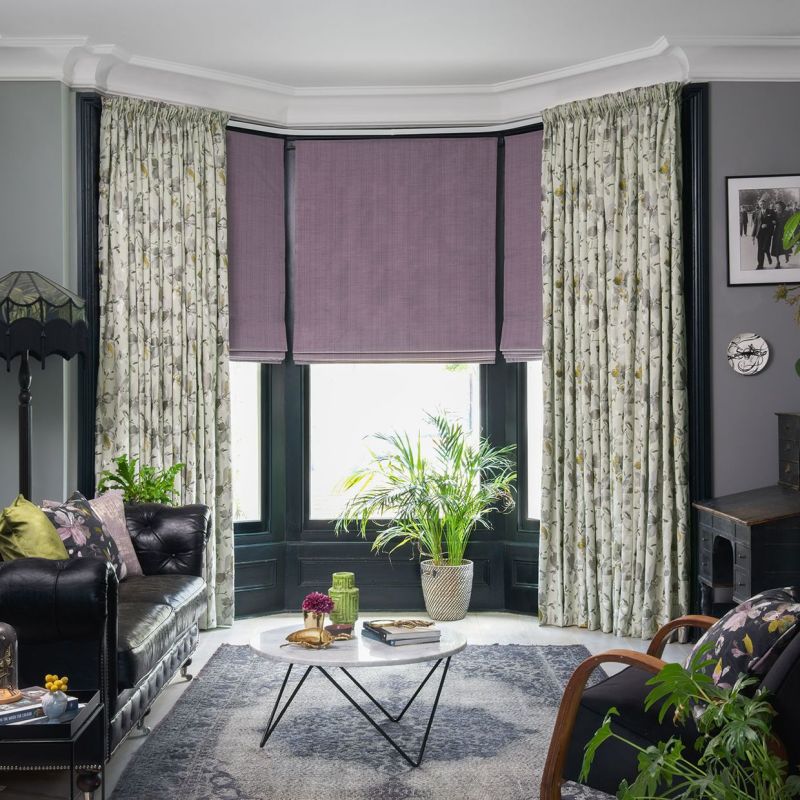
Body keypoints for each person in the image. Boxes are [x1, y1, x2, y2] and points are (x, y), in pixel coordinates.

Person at [752, 195, 776, 269]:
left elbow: (774, 222)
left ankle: (768, 254)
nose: (762, 206)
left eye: (764, 204)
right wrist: (753, 235)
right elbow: (755, 224)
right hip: (759, 234)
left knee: (765, 248)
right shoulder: (756, 213)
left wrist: (767, 225)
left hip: (768, 233)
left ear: (766, 204)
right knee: (760, 250)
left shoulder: (771, 212)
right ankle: (760, 265)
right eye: (761, 204)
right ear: (759, 205)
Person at [772, 199, 792, 268]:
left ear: (781, 206)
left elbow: (790, 222)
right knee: (776, 248)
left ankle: (787, 255)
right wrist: (773, 222)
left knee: (785, 246)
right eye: (776, 206)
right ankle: (778, 262)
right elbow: (771, 221)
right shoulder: (774, 213)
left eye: (778, 206)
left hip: (785, 232)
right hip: (777, 233)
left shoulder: (786, 213)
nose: (777, 207)